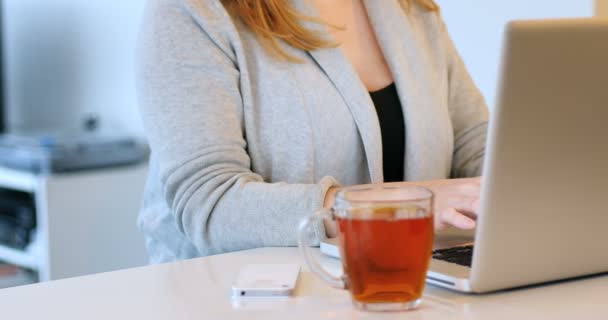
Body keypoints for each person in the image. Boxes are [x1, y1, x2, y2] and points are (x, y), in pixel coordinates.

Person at [136, 0, 488, 263]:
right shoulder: (190, 11)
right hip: (236, 300)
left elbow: (475, 144)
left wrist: (524, 186)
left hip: (405, 289)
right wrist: (398, 203)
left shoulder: (409, 9)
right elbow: (210, 204)